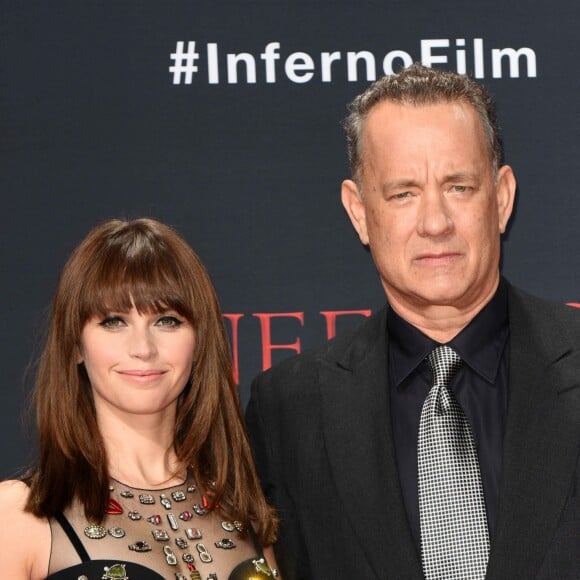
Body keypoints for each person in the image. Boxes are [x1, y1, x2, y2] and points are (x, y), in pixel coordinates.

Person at [246, 64, 580, 579]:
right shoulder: (289, 411)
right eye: (403, 193)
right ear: (359, 212)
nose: (435, 222)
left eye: (459, 186)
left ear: (503, 198)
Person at [0, 218, 280, 579]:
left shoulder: (243, 509)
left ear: (200, 341)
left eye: (167, 320)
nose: (143, 349)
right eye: (114, 321)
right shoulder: (18, 515)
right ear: (75, 345)